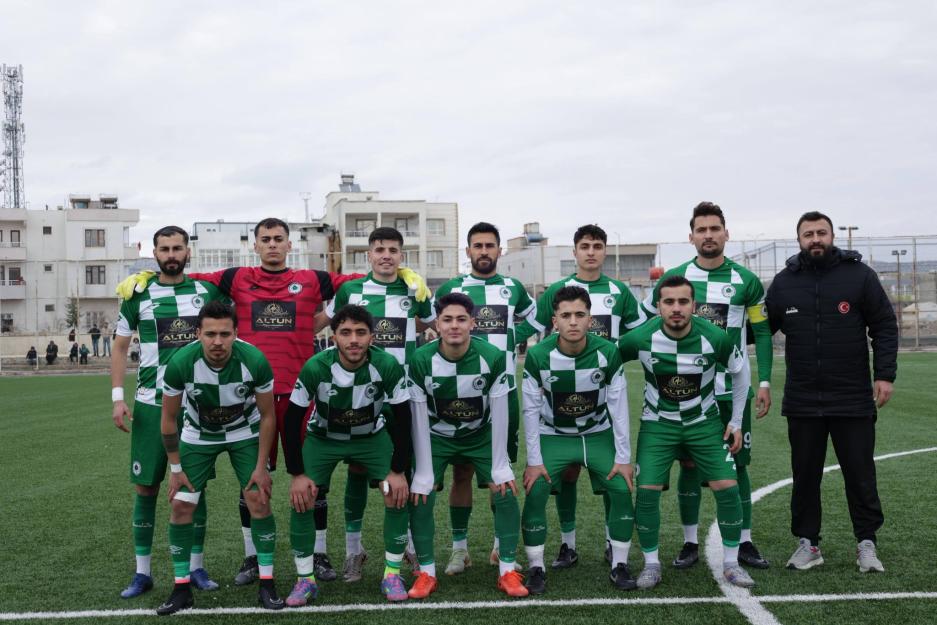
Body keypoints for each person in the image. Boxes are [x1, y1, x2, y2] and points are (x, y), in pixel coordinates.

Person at [641, 202, 773, 570]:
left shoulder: (746, 281)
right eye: (702, 229)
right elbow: (650, 326)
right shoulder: (675, 279)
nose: (709, 235)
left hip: (730, 390)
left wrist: (763, 381)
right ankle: (689, 542)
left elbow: (761, 332)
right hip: (685, 391)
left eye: (715, 228)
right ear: (691, 237)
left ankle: (744, 540)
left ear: (726, 234)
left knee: (737, 466)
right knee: (688, 465)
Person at [765, 211, 897, 573]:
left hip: (852, 397)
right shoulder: (784, 283)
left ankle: (866, 542)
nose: (815, 239)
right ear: (799, 240)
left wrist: (884, 375)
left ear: (832, 236)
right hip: (803, 399)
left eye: (821, 232)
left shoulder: (860, 276)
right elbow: (760, 329)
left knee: (860, 474)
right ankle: (808, 544)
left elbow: (884, 325)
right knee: (805, 476)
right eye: (808, 234)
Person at [281, 304, 432, 605]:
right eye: (346, 333)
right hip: (324, 439)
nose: (353, 340)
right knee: (303, 498)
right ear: (333, 336)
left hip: (370, 437)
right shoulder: (316, 366)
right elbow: (291, 419)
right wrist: (297, 474)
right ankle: (305, 579)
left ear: (372, 337)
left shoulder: (386, 364)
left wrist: (398, 470)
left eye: (361, 333)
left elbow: (403, 418)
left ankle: (392, 574)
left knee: (395, 493)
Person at [515, 223, 645, 568]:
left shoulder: (619, 290)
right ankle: (567, 545)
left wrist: (618, 355)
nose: (591, 252)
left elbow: (639, 332)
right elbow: (533, 326)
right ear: (574, 252)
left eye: (597, 246)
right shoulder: (557, 291)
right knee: (566, 476)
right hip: (560, 389)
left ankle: (612, 544)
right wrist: (496, 345)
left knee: (612, 481)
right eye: (585, 246)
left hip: (600, 384)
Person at [111, 225, 227, 599]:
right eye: (165, 249)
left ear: (188, 252)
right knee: (146, 487)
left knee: (194, 486)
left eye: (178, 248)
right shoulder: (137, 294)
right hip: (151, 403)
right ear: (155, 253)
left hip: (195, 405)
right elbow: (119, 347)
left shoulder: (206, 293)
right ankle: (142, 572)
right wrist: (117, 397)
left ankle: (196, 567)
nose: (172, 254)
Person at [620, 275, 755, 590]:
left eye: (683, 301)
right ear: (658, 306)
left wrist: (735, 421)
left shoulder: (715, 337)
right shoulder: (640, 337)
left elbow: (741, 373)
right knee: (647, 491)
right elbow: (607, 360)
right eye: (669, 302)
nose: (676, 308)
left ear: (694, 305)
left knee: (727, 487)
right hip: (657, 425)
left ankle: (732, 563)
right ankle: (651, 564)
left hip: (704, 424)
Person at [319, 227, 435, 582]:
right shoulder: (351, 290)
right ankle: (354, 550)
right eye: (380, 249)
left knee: (406, 469)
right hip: (360, 391)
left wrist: (423, 299)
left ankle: (409, 545)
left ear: (402, 255)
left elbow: (433, 324)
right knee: (357, 468)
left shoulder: (413, 288)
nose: (386, 255)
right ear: (369, 254)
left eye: (393, 250)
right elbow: (325, 324)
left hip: (402, 392)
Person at [156, 301, 283, 615]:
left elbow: (268, 416)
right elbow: (168, 420)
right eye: (210, 334)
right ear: (197, 333)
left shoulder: (254, 360)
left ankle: (267, 583)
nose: (217, 341)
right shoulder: (180, 363)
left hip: (245, 432)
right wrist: (175, 468)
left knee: (258, 499)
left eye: (225, 334)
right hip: (199, 435)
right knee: (182, 504)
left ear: (235, 333)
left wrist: (261, 467)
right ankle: (181, 587)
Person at [406, 293, 528, 599]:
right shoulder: (420, 359)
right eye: (447, 320)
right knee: (421, 492)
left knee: (504, 486)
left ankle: (507, 570)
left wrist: (500, 465)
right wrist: (423, 472)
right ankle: (426, 572)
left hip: (479, 433)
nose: (454, 326)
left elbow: (500, 409)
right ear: (437, 324)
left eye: (461, 319)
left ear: (473, 323)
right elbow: (417, 415)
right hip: (436, 435)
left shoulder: (492, 356)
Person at [433, 222, 537, 574]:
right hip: (460, 390)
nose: (483, 251)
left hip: (502, 391)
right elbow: (436, 323)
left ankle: (498, 547)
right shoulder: (452, 288)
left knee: (501, 472)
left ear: (499, 251)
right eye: (477, 246)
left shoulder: (513, 287)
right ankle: (459, 550)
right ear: (468, 251)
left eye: (489, 245)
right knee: (461, 472)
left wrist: (511, 336)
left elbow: (536, 320)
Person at [520, 286, 636, 594]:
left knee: (621, 486)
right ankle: (536, 566)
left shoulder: (608, 352)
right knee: (536, 489)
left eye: (580, 315)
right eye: (566, 315)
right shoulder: (538, 355)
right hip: (554, 434)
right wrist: (534, 461)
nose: (573, 321)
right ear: (555, 321)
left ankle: (620, 563)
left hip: (596, 433)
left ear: (590, 319)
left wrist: (624, 458)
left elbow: (619, 407)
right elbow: (530, 410)